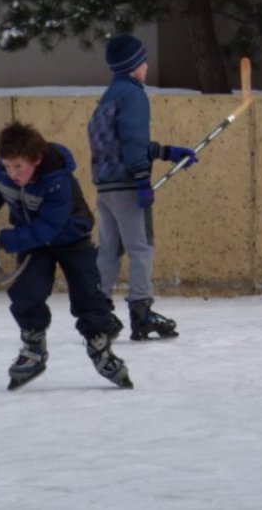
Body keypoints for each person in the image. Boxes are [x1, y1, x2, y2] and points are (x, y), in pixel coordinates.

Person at [0, 121, 133, 389]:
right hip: (33, 240)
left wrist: (4, 240)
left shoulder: (58, 182)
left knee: (88, 294)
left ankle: (99, 347)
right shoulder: (4, 171)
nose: (11, 173)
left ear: (36, 160)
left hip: (71, 238)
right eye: (6, 165)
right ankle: (33, 347)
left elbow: (47, 228)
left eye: (18, 167)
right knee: (26, 290)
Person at [88, 33, 197, 341]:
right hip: (126, 187)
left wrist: (166, 152)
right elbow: (134, 144)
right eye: (143, 60)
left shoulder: (110, 95)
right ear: (133, 65)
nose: (147, 64)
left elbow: (121, 143)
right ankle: (141, 312)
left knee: (109, 250)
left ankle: (98, 312)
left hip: (105, 188)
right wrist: (141, 180)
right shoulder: (134, 95)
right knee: (141, 248)